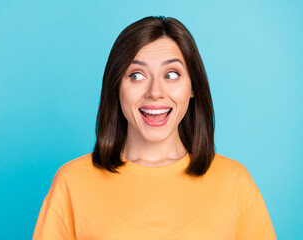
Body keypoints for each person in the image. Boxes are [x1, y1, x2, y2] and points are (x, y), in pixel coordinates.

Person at [32, 16, 277, 240]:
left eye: (171, 74)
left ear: (193, 87)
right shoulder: (72, 182)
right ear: (116, 87)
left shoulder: (235, 182)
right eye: (137, 75)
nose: (155, 93)